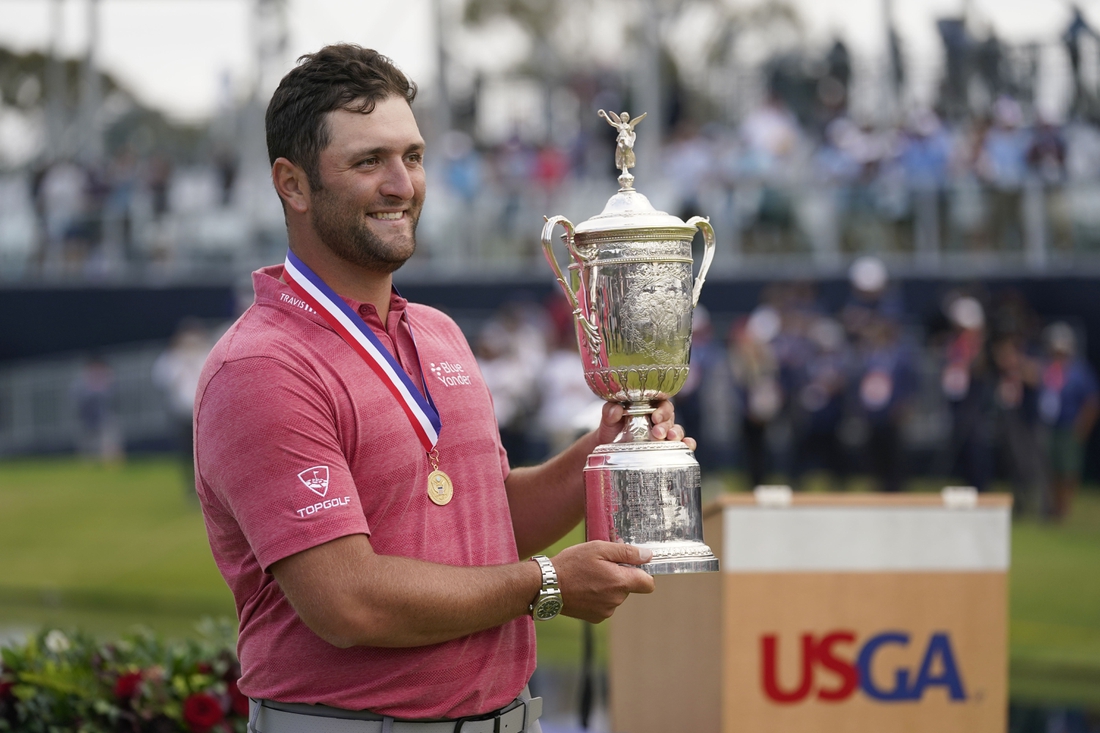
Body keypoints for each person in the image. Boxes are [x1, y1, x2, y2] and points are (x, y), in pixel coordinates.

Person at [193, 45, 690, 732]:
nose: (403, 184)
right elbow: (349, 601)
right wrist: (548, 584)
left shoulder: (436, 332)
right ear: (293, 184)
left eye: (414, 156)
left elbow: (487, 528)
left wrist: (604, 450)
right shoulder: (262, 366)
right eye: (369, 161)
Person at [1038, 322, 1099, 521]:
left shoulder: (1079, 372)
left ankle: (1064, 508)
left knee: (1068, 470)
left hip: (1069, 427)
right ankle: (1053, 507)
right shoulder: (1047, 368)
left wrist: (1081, 428)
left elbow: (1091, 401)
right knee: (1051, 468)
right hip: (1049, 426)